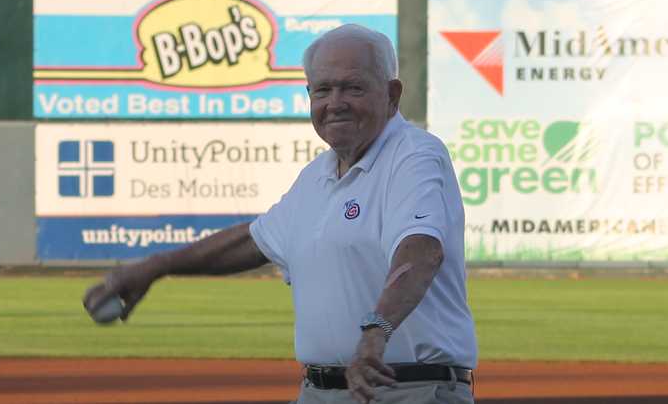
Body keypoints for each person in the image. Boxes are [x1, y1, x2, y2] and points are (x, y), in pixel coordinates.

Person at [84, 24, 477, 403]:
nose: (335, 102)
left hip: (409, 390)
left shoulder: (414, 154)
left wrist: (378, 330)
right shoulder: (317, 177)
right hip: (320, 390)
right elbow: (252, 242)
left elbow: (421, 250)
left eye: (353, 87)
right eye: (322, 90)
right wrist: (155, 266)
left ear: (392, 95)